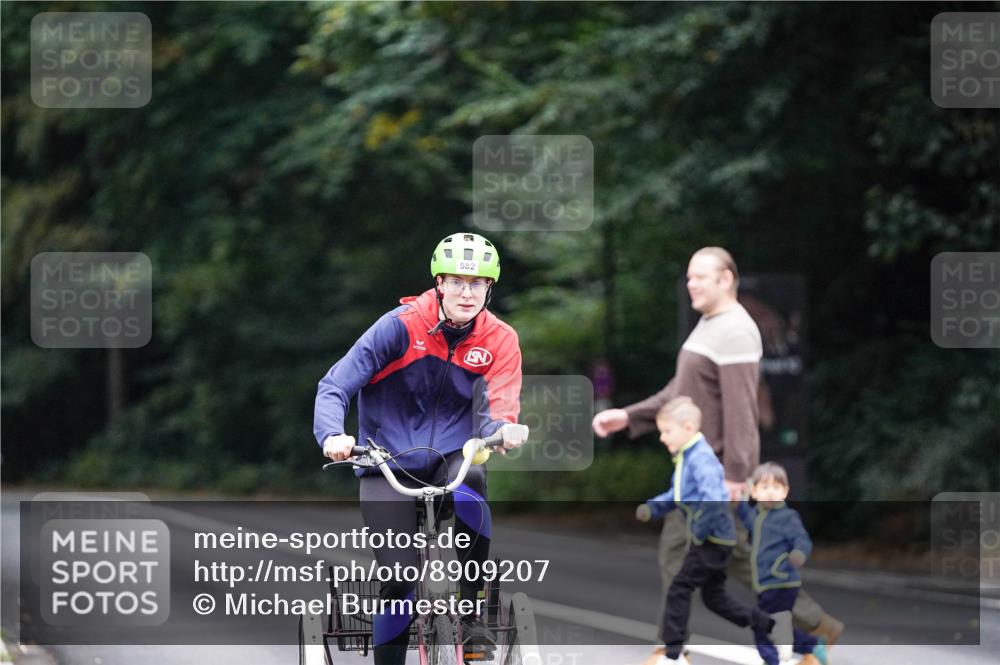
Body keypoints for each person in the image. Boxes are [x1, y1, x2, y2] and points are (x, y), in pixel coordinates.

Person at [593, 247, 843, 648]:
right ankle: (815, 625)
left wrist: (736, 475)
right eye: (689, 277)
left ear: (726, 279)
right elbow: (681, 392)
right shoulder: (709, 324)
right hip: (703, 472)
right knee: (744, 562)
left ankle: (670, 651)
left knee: (677, 556)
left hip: (713, 478)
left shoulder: (735, 330)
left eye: (700, 277)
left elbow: (743, 409)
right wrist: (628, 416)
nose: (691, 284)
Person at [314, 232, 529, 665]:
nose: (467, 293)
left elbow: (500, 403)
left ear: (490, 288)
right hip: (384, 461)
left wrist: (505, 428)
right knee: (398, 578)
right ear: (439, 283)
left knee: (472, 479)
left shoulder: (500, 339)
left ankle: (472, 614)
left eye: (478, 283)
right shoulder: (400, 326)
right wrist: (333, 435)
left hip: (454, 454)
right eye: (457, 282)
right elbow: (335, 385)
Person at [635, 397, 776, 664]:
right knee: (714, 598)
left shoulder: (700, 458)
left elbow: (714, 498)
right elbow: (679, 494)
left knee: (679, 588)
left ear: (688, 428)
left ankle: (673, 654)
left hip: (712, 540)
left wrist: (699, 532)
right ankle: (764, 623)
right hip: (716, 540)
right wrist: (653, 508)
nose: (663, 438)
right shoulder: (688, 456)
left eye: (667, 431)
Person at [737, 462, 826, 665]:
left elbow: (802, 540)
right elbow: (744, 515)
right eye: (765, 487)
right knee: (777, 625)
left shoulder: (788, 517)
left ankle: (772, 660)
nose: (770, 492)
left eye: (776, 487)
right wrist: (740, 495)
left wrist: (798, 553)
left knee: (762, 626)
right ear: (755, 492)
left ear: (785, 491)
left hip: (782, 581)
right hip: (766, 584)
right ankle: (811, 645)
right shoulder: (756, 516)